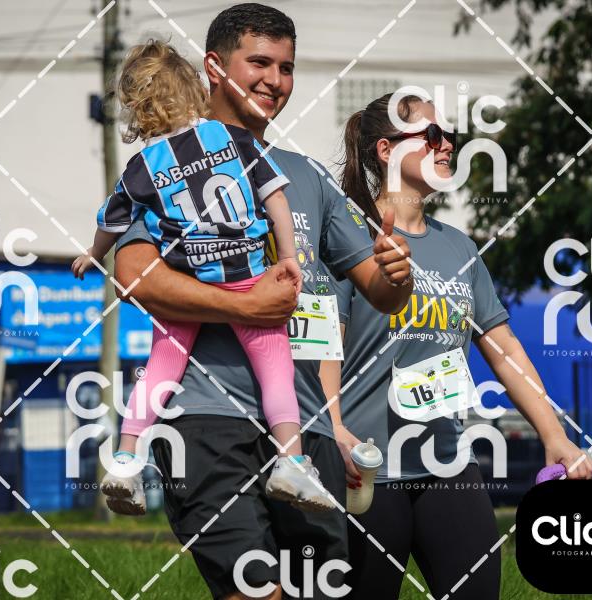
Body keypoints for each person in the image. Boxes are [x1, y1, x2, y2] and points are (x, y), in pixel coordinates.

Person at [111, 5, 413, 600]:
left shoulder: (307, 176)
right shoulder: (167, 164)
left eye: (286, 67)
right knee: (255, 593)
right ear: (215, 67)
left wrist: (396, 273)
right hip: (206, 422)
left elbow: (380, 292)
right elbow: (134, 277)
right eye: (259, 63)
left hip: (305, 431)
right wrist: (244, 308)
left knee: (317, 593)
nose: (275, 80)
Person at [321, 92, 592, 599]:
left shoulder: (460, 247)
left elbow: (503, 347)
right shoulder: (346, 236)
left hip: (447, 464)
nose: (446, 144)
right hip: (366, 469)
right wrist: (332, 429)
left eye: (450, 136)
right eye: (431, 135)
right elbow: (325, 346)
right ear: (386, 149)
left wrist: (554, 435)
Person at [72, 39, 338, 514]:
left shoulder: (142, 166)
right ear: (195, 88)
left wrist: (92, 254)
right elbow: (276, 196)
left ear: (137, 108)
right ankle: (291, 462)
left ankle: (126, 460)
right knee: (276, 369)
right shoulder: (232, 139)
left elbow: (112, 220)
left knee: (160, 369)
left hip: (188, 283)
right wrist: (289, 257)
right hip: (246, 277)